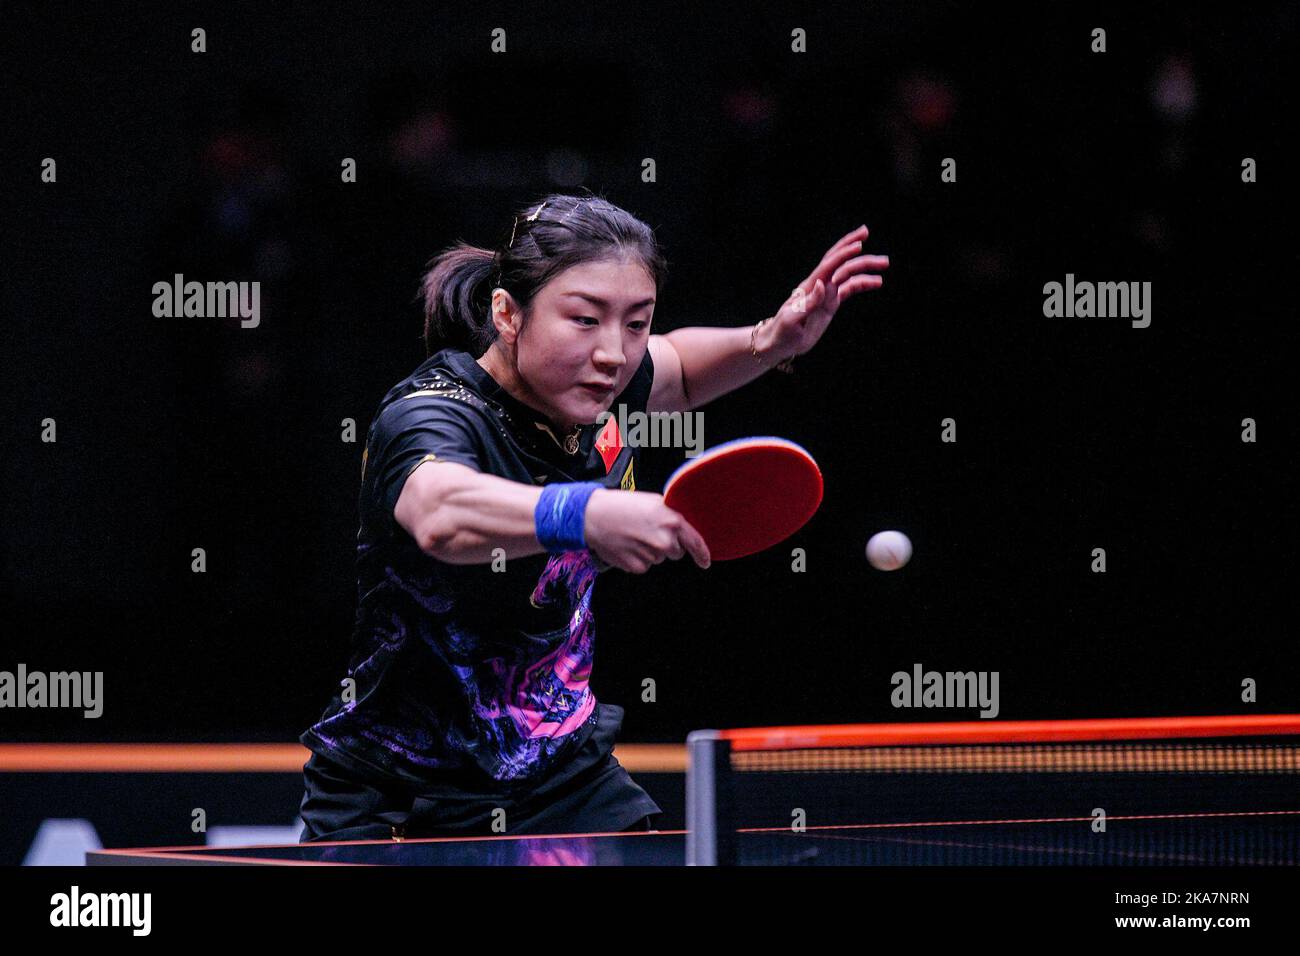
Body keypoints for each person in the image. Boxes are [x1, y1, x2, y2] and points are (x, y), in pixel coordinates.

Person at [298, 192, 888, 841]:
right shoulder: (430, 413)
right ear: (507, 314)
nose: (615, 353)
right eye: (584, 320)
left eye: (635, 322)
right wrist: (586, 510)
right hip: (402, 791)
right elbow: (441, 513)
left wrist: (770, 339)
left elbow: (681, 370)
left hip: (561, 774)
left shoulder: (599, 384)